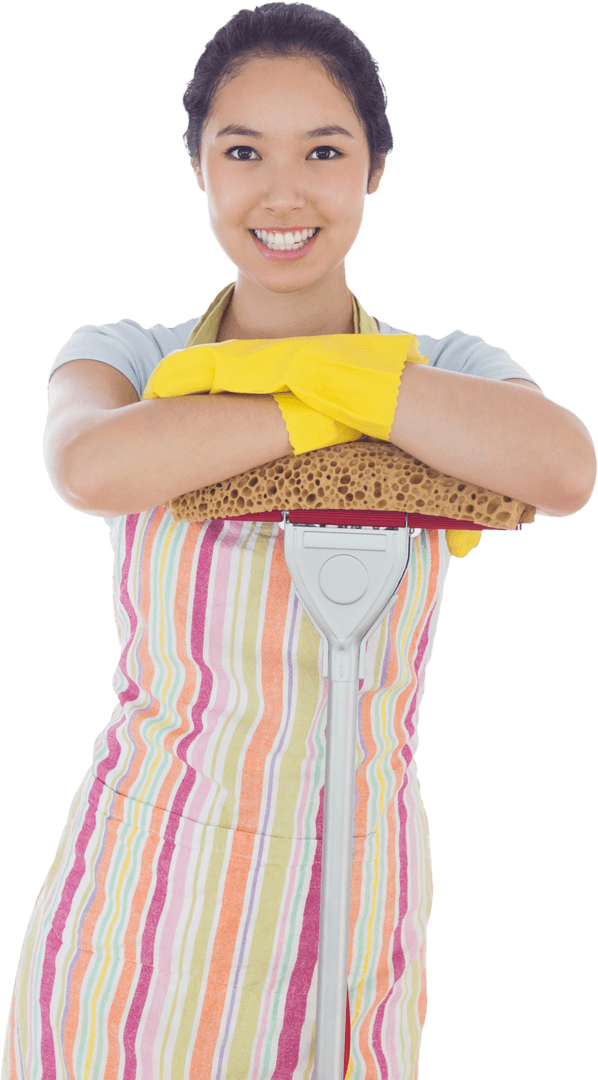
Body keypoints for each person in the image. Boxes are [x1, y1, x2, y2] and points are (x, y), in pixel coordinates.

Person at [2, 3, 595, 1079]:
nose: (283, 192)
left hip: (353, 884)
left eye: (324, 150)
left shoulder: (454, 357)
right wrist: (374, 408)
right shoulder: (127, 354)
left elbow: (560, 470)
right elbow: (91, 468)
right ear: (199, 168)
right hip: (144, 887)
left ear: (374, 168)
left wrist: (311, 379)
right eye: (243, 152)